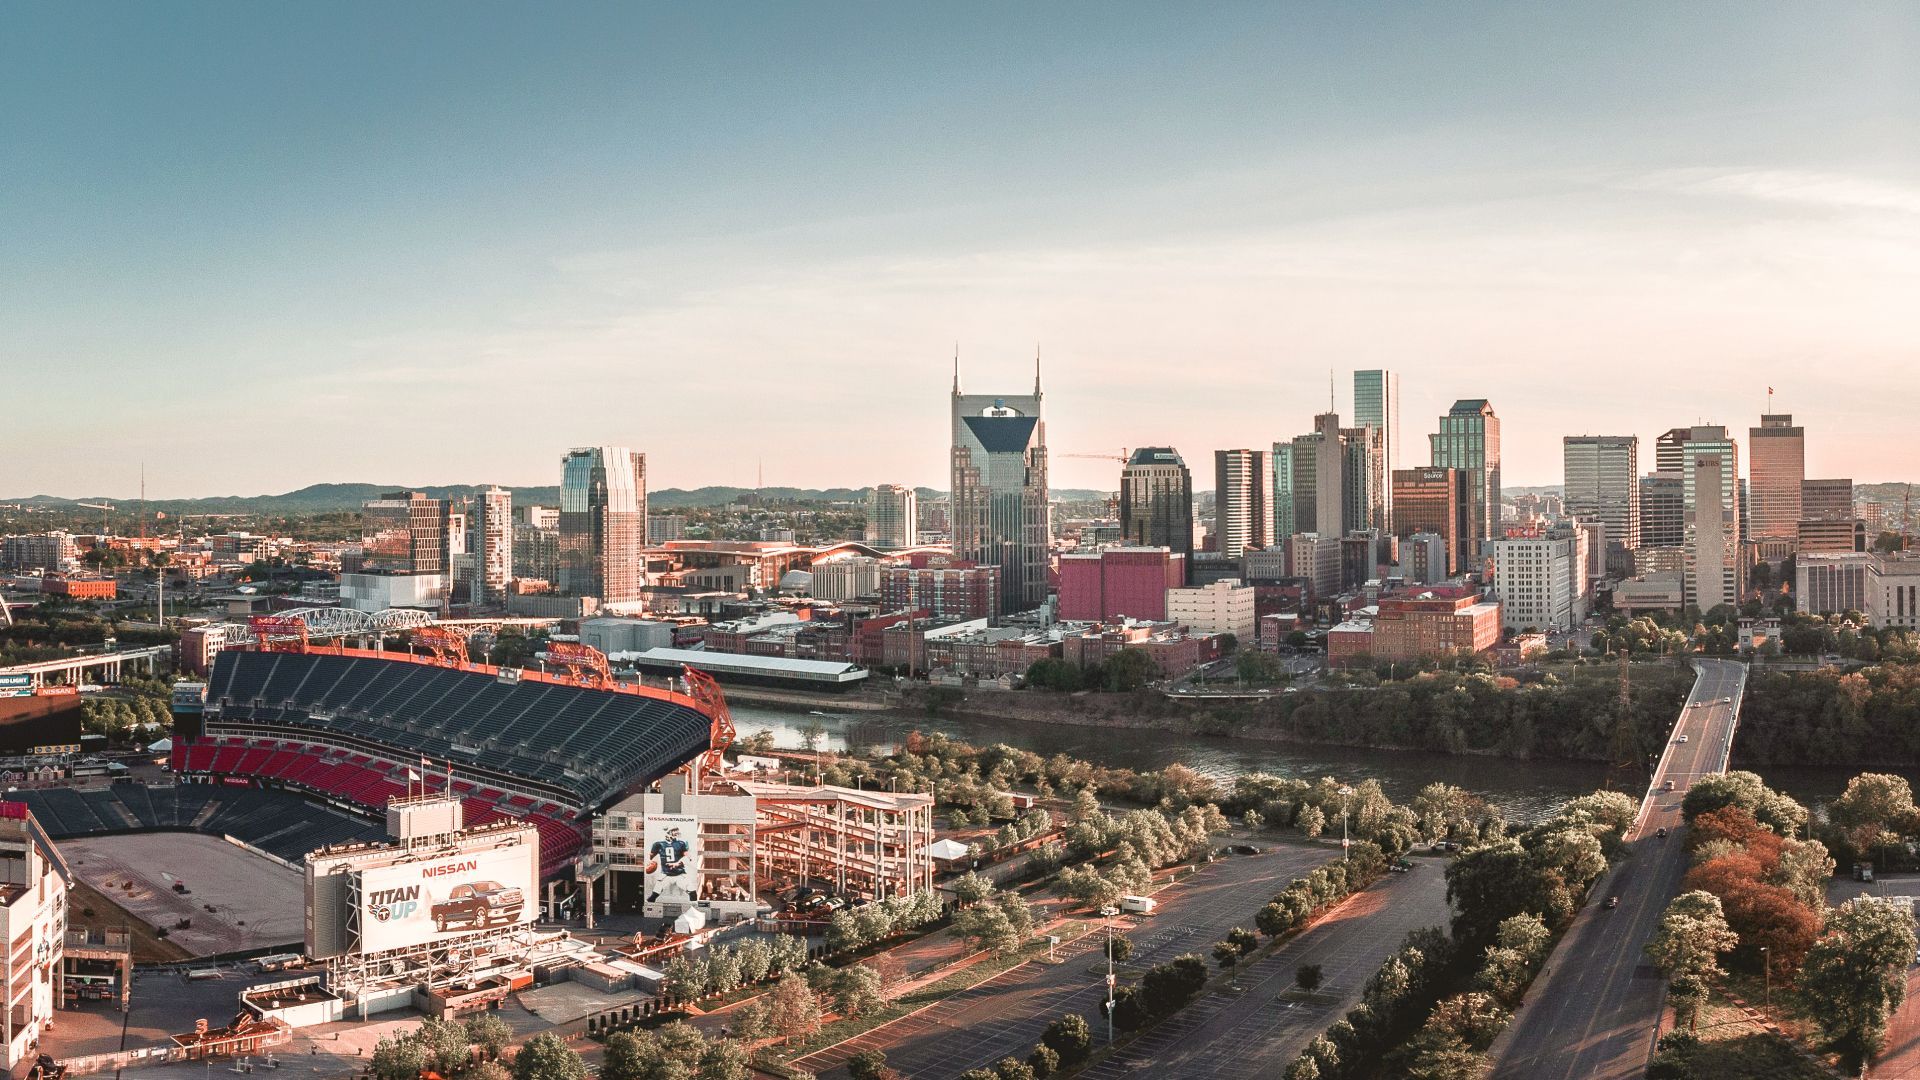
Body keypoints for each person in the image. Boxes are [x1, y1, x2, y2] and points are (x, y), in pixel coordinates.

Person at [646, 825, 696, 904]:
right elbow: (650, 857)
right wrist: (650, 863)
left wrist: (678, 863)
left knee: (693, 893)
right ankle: (649, 912)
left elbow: (688, 857)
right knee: (653, 897)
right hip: (666, 874)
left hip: (680, 874)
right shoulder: (658, 844)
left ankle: (693, 910)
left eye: (677, 830)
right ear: (667, 832)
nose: (676, 832)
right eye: (674, 830)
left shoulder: (681, 843)